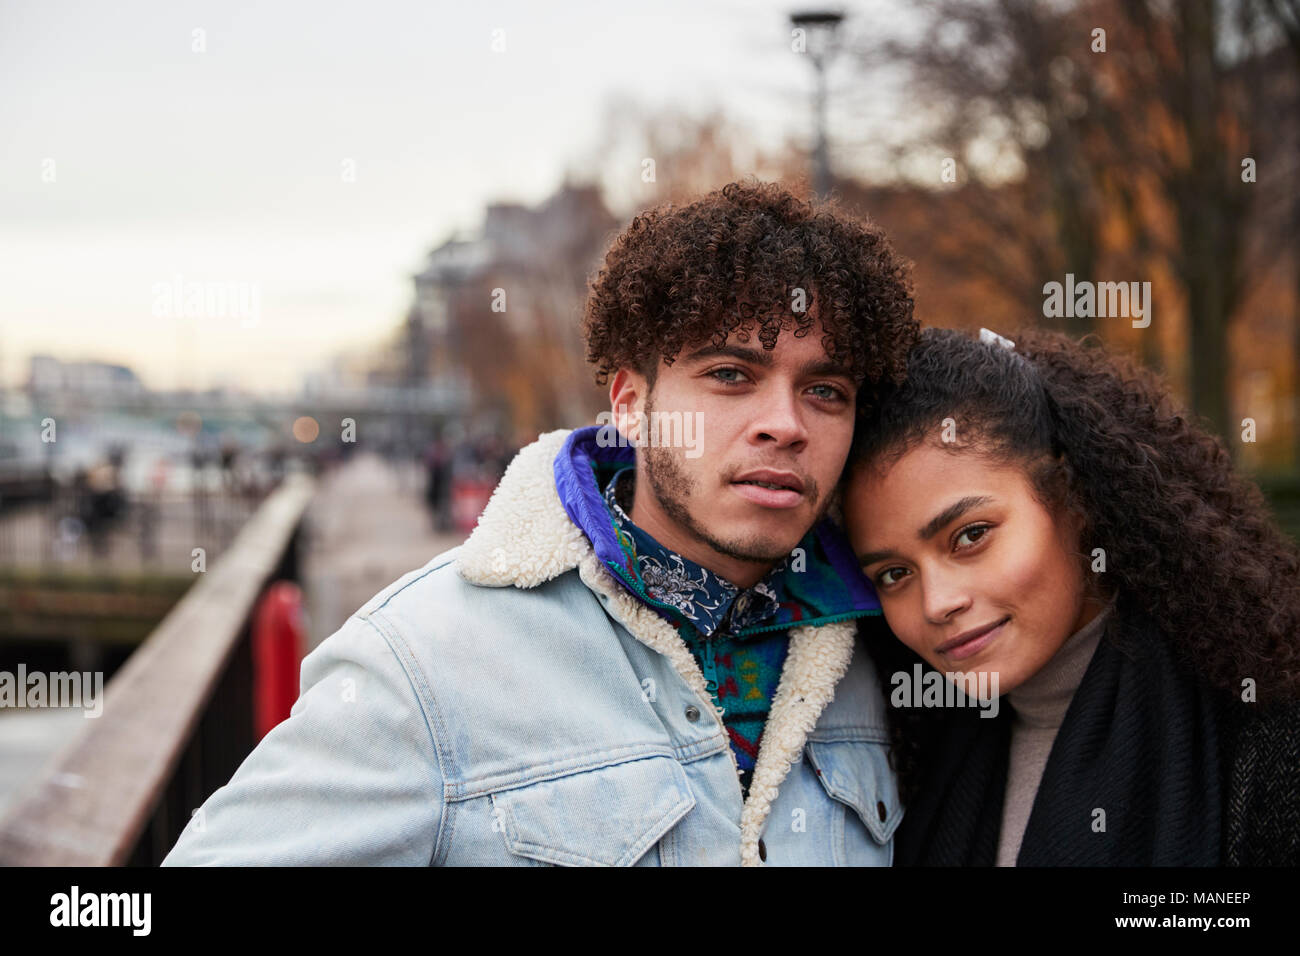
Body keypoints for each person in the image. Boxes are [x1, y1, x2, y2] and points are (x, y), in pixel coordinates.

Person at [162, 179, 919, 866]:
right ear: (629, 403)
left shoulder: (898, 642)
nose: (784, 424)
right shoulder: (426, 662)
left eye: (825, 391)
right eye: (730, 375)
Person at [841, 326, 1300, 866]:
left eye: (970, 536)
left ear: (1074, 500)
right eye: (894, 574)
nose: (937, 603)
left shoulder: (1262, 729)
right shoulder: (909, 757)